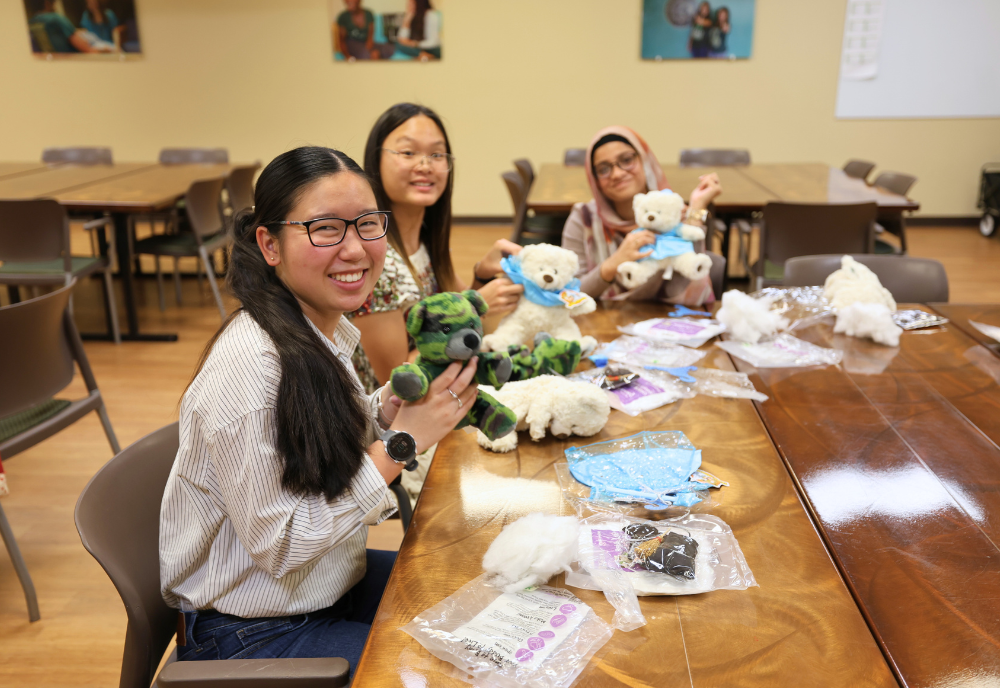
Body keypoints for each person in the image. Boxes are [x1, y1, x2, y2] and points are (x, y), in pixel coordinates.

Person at [160, 146, 479, 673]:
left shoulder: (313, 327)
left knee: (473, 601)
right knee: (444, 671)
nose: (355, 249)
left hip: (325, 587)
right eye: (326, 229)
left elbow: (317, 437)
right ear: (270, 244)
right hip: (250, 632)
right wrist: (401, 443)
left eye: (368, 224)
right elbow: (282, 544)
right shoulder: (248, 369)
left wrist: (387, 409)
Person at [349, 102, 522, 395]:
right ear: (375, 160)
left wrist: (482, 274)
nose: (425, 165)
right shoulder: (373, 259)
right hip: (391, 424)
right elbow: (397, 378)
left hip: (444, 398)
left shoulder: (425, 242)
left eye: (437, 154)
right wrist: (477, 308)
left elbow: (458, 307)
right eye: (407, 152)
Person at [561, 126, 723, 305]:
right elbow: (570, 294)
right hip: (604, 326)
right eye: (603, 169)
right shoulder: (584, 219)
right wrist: (612, 265)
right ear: (595, 180)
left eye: (627, 160)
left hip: (669, 324)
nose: (617, 173)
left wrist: (696, 210)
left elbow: (691, 287)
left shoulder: (672, 213)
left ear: (645, 161)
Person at [27, 0, 112, 53]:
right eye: (54, 3)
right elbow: (88, 50)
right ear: (47, 3)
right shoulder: (56, 19)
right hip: (76, 60)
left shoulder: (31, 22)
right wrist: (106, 51)